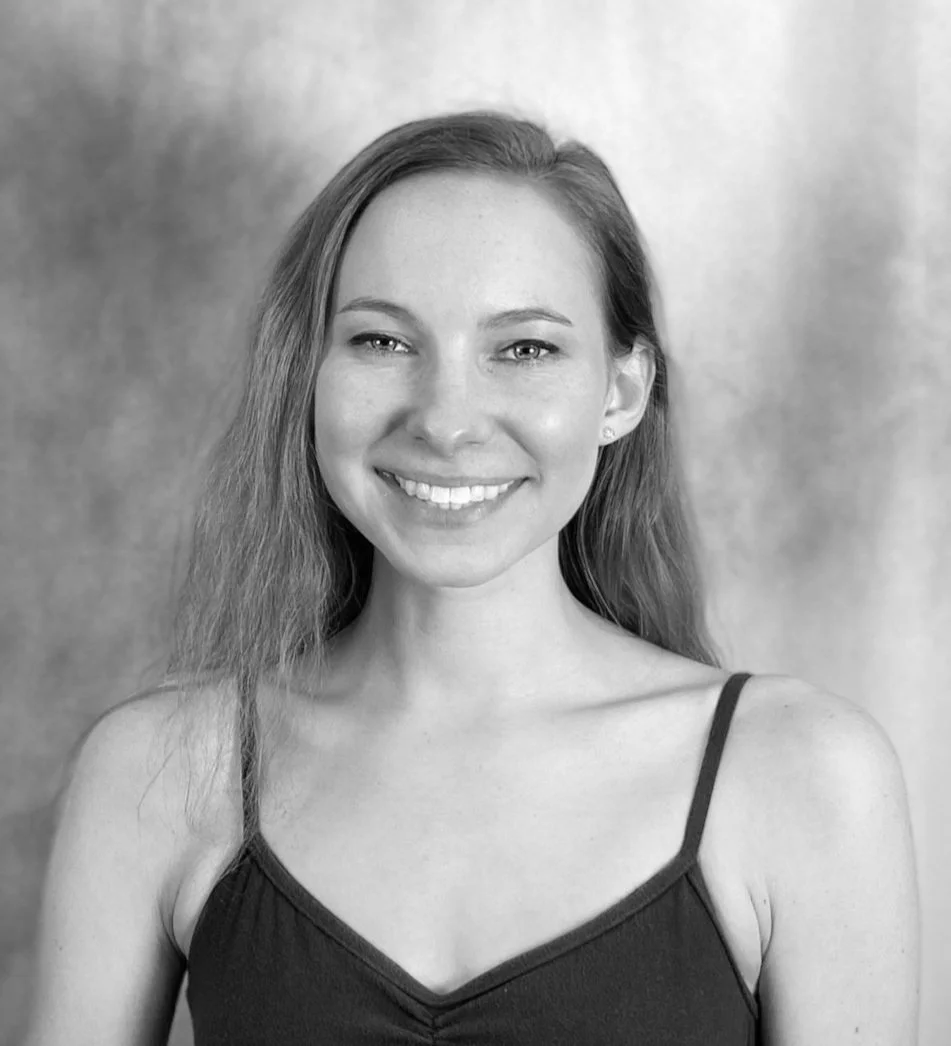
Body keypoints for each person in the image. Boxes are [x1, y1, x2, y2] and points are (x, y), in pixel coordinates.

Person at [26, 110, 919, 1045]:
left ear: (621, 392)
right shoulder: (160, 771)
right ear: (307, 375)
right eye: (382, 341)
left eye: (524, 349)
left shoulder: (801, 773)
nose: (446, 422)